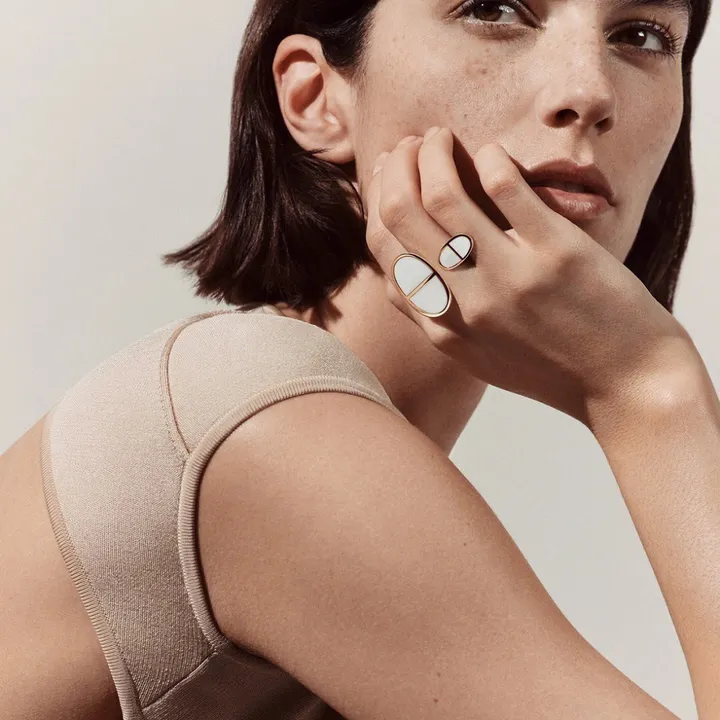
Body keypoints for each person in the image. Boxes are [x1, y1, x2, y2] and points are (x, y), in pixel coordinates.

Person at [1, 0, 717, 717]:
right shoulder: (259, 427)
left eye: (643, 35)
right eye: (494, 9)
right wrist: (651, 389)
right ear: (315, 98)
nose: (590, 91)